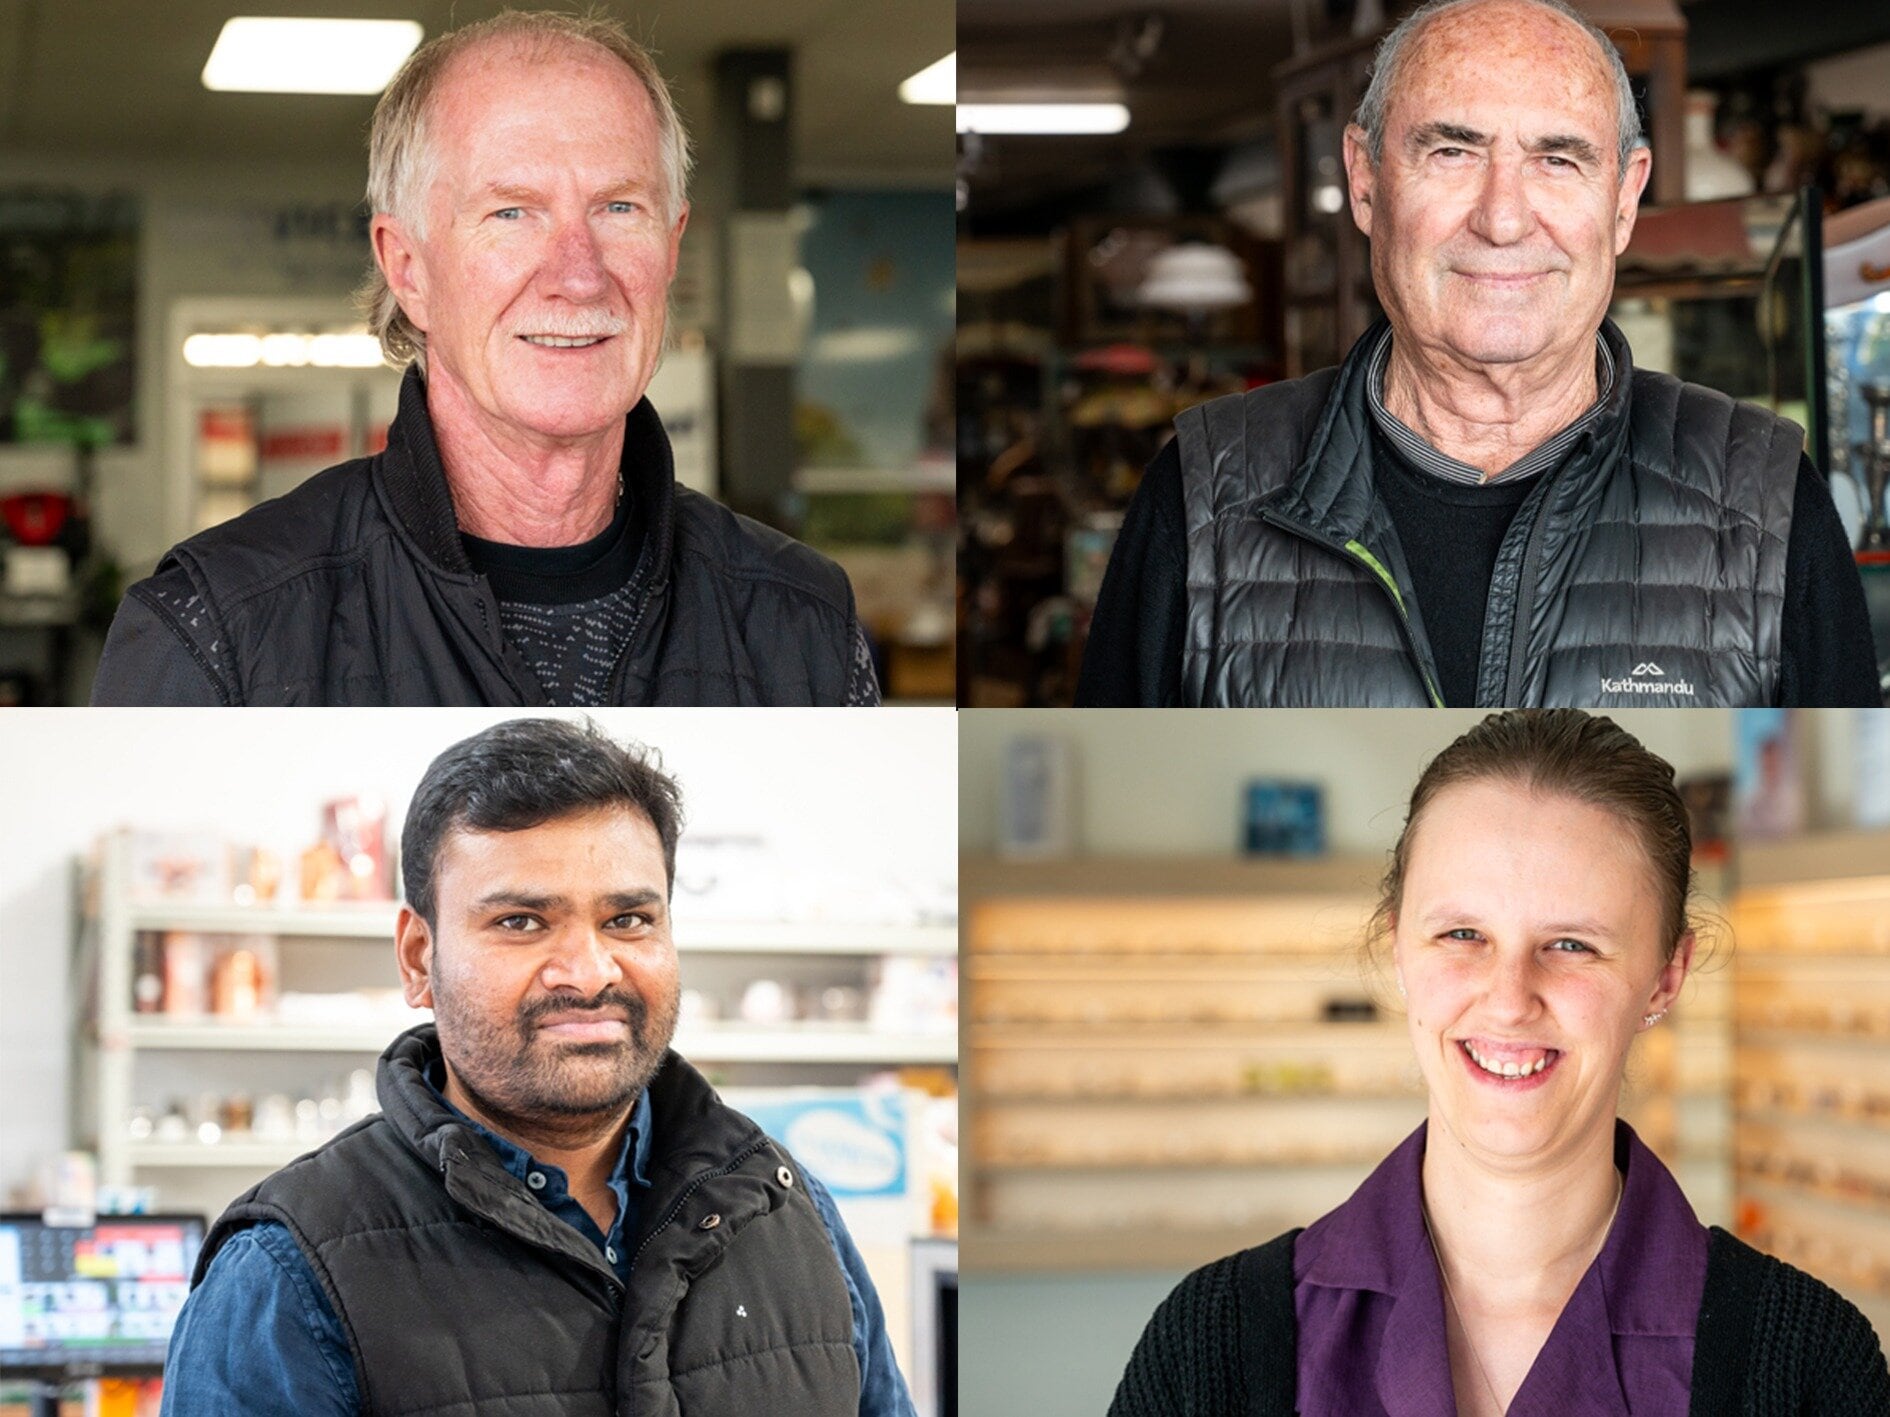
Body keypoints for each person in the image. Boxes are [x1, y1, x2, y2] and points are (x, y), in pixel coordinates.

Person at [1077, 0, 1878, 708]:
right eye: (1451, 152)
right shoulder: (1201, 494)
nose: (1502, 218)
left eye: (1558, 159)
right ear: (1365, 181)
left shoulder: (1766, 497)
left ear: (1625, 199)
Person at [1109, 710, 1890, 1415]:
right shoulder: (1211, 1348)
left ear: (1665, 977)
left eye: (1572, 944)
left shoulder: (1809, 1367)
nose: (1511, 998)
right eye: (1461, 935)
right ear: (1397, 948)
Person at [93, 11, 879, 706]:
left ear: (671, 249)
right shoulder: (216, 630)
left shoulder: (806, 622)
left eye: (618, 207)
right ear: (408, 271)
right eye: (512, 212)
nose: (578, 273)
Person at [161, 718, 914, 1416]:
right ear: (419, 958)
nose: (588, 971)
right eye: (521, 921)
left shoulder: (791, 1208)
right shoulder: (287, 1272)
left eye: (628, 919)